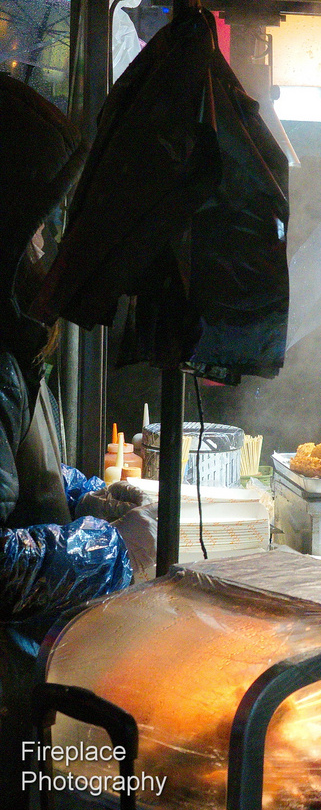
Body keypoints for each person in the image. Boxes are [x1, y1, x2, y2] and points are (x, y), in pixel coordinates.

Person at [0, 75, 156, 794]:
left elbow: (18, 481)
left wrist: (81, 498)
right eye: (38, 219)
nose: (49, 241)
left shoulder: (14, 344)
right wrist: (109, 549)